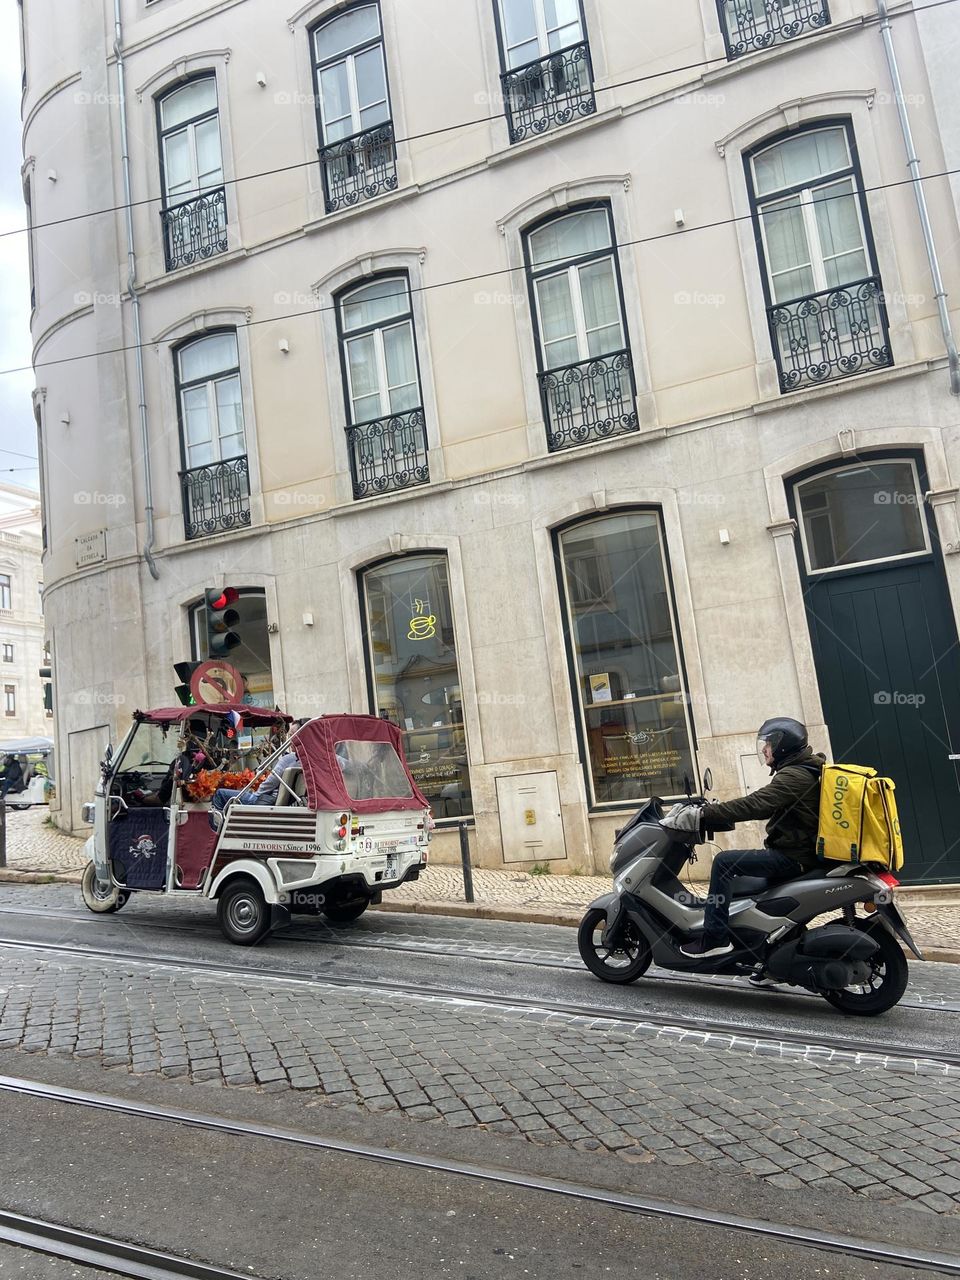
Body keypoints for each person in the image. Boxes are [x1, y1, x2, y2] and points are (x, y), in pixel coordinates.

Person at [669, 717, 824, 961]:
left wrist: (704, 814)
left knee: (724, 863)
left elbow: (756, 804)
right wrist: (718, 812)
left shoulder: (795, 776)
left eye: (769, 744)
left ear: (783, 746)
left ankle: (715, 939)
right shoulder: (804, 770)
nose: (764, 749)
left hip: (794, 857)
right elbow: (763, 805)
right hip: (799, 852)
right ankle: (761, 944)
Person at [209, 745, 301, 830]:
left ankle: (217, 831)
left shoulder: (289, 759)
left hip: (267, 800)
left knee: (220, 794)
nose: (292, 742)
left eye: (293, 737)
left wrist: (256, 794)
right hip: (281, 799)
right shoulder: (302, 761)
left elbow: (271, 782)